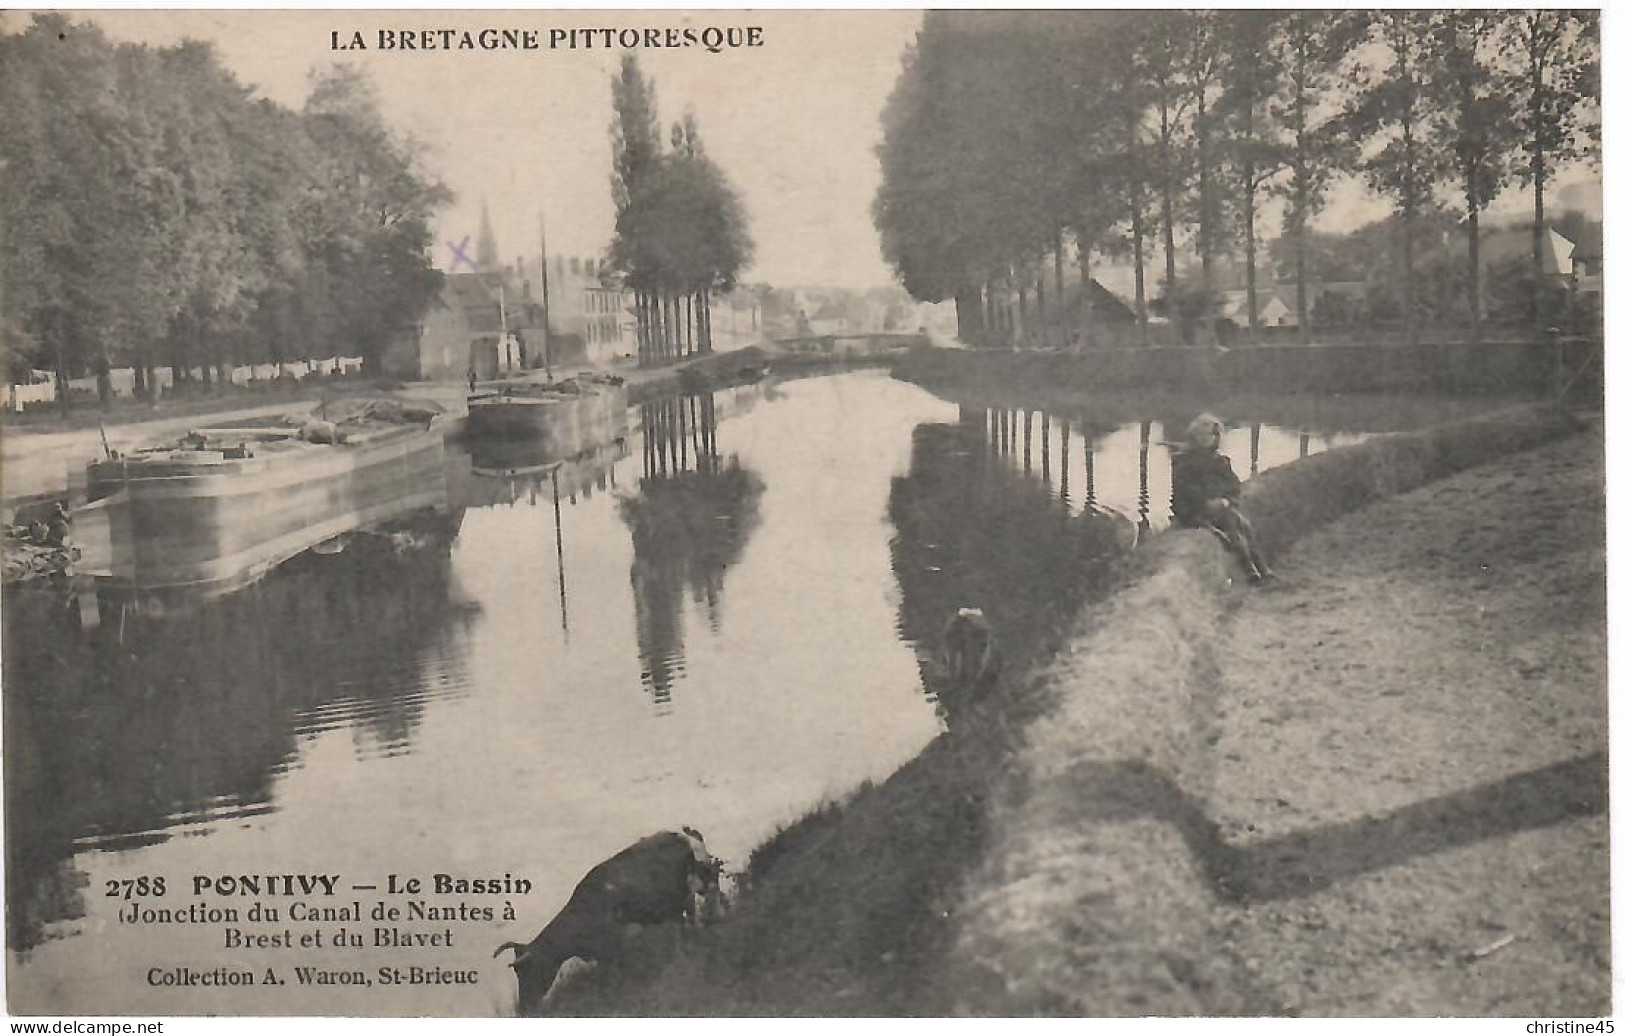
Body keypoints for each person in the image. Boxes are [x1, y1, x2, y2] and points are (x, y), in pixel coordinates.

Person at [1170, 413, 1274, 584]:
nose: (1209, 439)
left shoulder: (1220, 461)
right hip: (1194, 511)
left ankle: (1262, 568)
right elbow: (1184, 492)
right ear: (1194, 437)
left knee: (1242, 523)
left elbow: (1233, 486)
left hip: (1220, 509)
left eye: (1213, 435)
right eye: (1204, 435)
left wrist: (1225, 500)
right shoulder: (1184, 462)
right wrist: (1205, 502)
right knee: (1230, 523)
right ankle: (1251, 570)